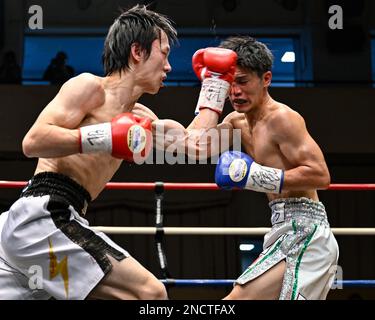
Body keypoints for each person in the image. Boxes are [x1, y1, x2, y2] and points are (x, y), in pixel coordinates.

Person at [0, 4, 178, 300]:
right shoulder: (89, 87)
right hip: (43, 215)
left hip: (51, 224)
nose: (169, 66)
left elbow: (197, 144)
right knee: (150, 293)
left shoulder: (141, 119)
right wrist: (103, 136)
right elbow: (33, 141)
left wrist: (215, 85)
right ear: (138, 51)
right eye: (165, 52)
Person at [171, 36, 338, 300]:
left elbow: (320, 175)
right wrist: (212, 93)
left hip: (307, 231)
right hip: (280, 228)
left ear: (266, 79)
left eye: (243, 81)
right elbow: (194, 146)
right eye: (230, 83)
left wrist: (257, 177)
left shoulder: (283, 119)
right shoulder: (236, 122)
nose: (235, 92)